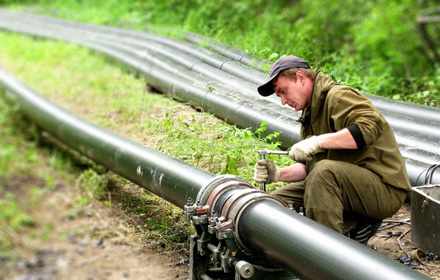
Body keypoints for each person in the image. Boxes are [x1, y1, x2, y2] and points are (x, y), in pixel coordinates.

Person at [254, 55, 412, 244]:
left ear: (301, 78)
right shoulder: (310, 115)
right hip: (345, 185)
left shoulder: (338, 96)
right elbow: (308, 168)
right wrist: (278, 174)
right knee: (274, 201)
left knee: (324, 173)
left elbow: (369, 127)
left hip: (384, 189)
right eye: (279, 95)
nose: (283, 101)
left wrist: (318, 141)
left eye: (284, 91)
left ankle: (329, 258)